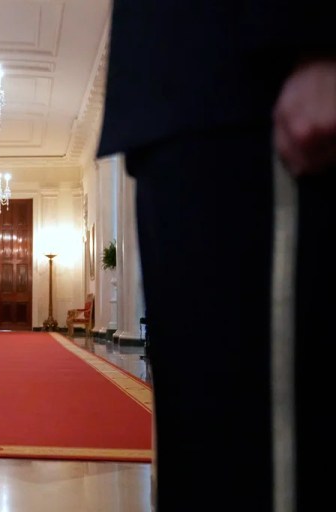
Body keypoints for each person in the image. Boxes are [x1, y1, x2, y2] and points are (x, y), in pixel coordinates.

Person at [97, 2, 336, 511]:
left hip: (257, 76)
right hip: (172, 105)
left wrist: (322, 38)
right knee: (199, 428)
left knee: (267, 445)